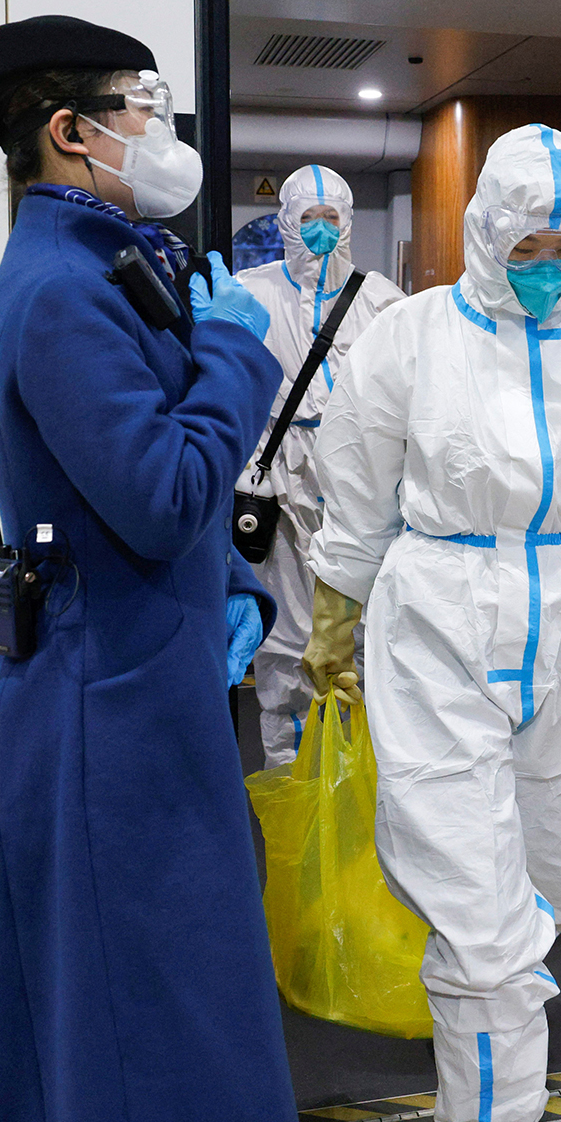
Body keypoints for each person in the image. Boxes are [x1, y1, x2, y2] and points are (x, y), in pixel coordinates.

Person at [302, 125, 561, 1122]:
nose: (544, 273)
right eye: (524, 252)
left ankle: (486, 1105)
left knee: (548, 888)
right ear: (485, 235)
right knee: (485, 931)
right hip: (438, 611)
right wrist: (331, 623)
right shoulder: (410, 337)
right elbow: (354, 494)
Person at [0, 14, 299, 1122]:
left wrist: (230, 591)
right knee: (146, 1035)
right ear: (71, 131)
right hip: (106, 722)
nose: (162, 128)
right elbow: (164, 487)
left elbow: (122, 505)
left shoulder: (98, 264)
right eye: (144, 104)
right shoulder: (60, 291)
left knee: (142, 1023)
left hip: (132, 690)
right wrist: (242, 349)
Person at [235, 165, 405, 766]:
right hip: (277, 479)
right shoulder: (249, 295)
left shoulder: (382, 301)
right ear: (286, 221)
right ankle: (290, 768)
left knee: (356, 621)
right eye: (308, 217)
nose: (321, 230)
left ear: (350, 221)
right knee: (284, 634)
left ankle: (359, 771)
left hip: (355, 480)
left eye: (332, 218)